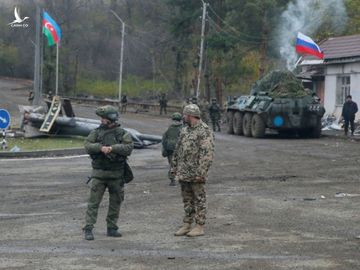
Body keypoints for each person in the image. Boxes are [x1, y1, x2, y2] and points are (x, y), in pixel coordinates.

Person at [83, 105, 134, 241]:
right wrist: (100, 148)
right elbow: (87, 145)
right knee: (93, 203)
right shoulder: (96, 132)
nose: (101, 121)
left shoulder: (122, 133)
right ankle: (88, 228)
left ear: (110, 118)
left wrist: (112, 148)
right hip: (99, 174)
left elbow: (129, 147)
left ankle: (112, 227)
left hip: (116, 175)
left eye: (104, 118)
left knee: (115, 202)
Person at [171, 104, 215, 237]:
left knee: (199, 199)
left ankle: (200, 226)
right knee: (187, 200)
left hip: (196, 173)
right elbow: (178, 150)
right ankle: (187, 224)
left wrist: (201, 173)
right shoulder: (185, 130)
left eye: (185, 115)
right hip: (184, 172)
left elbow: (207, 154)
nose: (183, 117)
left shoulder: (204, 131)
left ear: (190, 115)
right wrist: (174, 167)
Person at [161, 112, 183, 186]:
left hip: (170, 149)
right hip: (180, 149)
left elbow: (164, 139)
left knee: (172, 164)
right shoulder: (183, 128)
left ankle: (172, 180)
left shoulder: (169, 128)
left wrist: (165, 148)